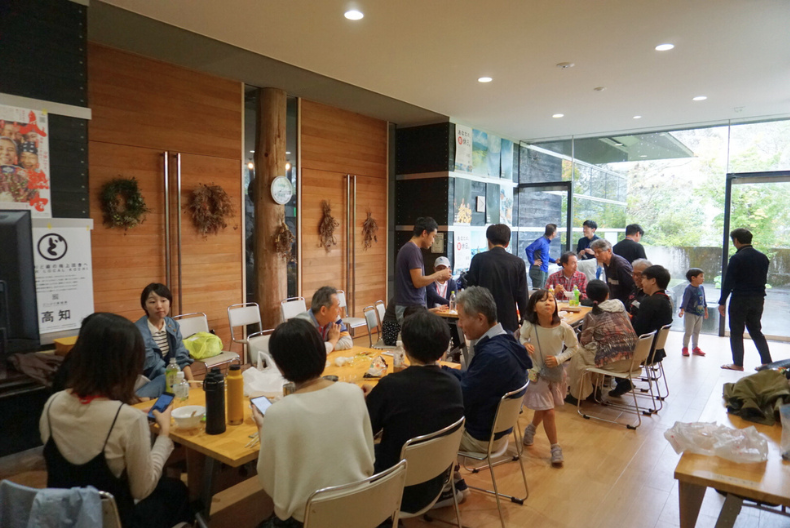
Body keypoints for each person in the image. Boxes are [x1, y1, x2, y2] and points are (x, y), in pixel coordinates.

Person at [40, 313, 193, 528]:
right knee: (176, 491)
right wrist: (165, 434)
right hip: (115, 522)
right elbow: (143, 489)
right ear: (125, 365)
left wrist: (132, 417)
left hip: (66, 518)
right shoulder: (127, 419)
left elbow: (85, 430)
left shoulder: (52, 404)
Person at [253, 318, 375, 528]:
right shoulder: (353, 393)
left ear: (280, 366)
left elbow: (271, 482)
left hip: (308, 520)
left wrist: (263, 427)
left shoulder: (278, 413)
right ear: (321, 352)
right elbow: (369, 458)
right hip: (362, 510)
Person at [364, 311, 465, 511]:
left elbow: (364, 431)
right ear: (444, 348)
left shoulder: (391, 386)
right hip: (435, 482)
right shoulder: (453, 385)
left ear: (405, 347)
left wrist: (369, 399)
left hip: (393, 487)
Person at [441, 286, 531, 456]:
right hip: (496, 431)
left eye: (461, 319)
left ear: (480, 319)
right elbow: (473, 378)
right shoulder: (507, 340)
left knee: (417, 424)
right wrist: (442, 371)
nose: (459, 324)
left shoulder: (492, 356)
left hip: (479, 438)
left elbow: (461, 399)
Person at [519, 289, 579, 466]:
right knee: (549, 410)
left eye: (551, 300)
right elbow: (522, 336)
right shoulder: (529, 325)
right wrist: (525, 344)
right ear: (534, 307)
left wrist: (559, 359)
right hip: (535, 372)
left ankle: (531, 429)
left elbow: (574, 347)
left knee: (544, 407)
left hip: (554, 373)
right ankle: (555, 447)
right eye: (543, 300)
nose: (548, 303)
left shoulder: (563, 328)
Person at [565, 280, 638, 404]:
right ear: (607, 294)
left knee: (579, 353)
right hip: (635, 359)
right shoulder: (619, 304)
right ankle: (594, 390)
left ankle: (578, 395)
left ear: (588, 297)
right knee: (592, 352)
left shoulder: (592, 315)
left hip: (615, 363)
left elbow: (585, 342)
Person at [612, 265, 672, 397]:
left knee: (603, 342)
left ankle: (619, 381)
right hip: (655, 350)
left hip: (643, 351)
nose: (641, 282)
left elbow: (637, 331)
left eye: (644, 278)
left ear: (653, 281)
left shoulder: (649, 301)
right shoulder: (665, 299)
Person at [719, 228, 772, 371]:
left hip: (740, 299)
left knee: (736, 331)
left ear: (736, 240)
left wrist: (722, 301)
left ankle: (738, 364)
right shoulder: (763, 257)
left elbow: (729, 282)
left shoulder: (737, 258)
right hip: (758, 299)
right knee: (755, 330)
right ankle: (767, 363)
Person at [465, 224, 529, 333]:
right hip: (509, 321)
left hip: (482, 319)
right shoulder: (518, 263)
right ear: (507, 243)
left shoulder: (478, 259)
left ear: (488, 241)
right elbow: (522, 296)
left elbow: (470, 291)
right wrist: (525, 321)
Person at [134, 283, 194, 399]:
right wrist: (179, 382)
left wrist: (192, 383)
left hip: (168, 377)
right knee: (170, 383)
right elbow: (153, 366)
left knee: (186, 389)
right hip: (143, 383)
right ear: (145, 306)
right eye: (152, 302)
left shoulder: (172, 325)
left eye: (163, 300)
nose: (159, 306)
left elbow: (181, 357)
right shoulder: (138, 331)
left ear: (169, 303)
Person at [395, 217, 452, 321]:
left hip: (411, 306)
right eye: (433, 236)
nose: (433, 241)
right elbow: (418, 282)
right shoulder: (412, 250)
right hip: (410, 307)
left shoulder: (411, 249)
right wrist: (439, 274)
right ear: (424, 233)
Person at [295, 285, 353, 353]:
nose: (340, 310)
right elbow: (313, 352)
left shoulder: (334, 318)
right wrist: (333, 340)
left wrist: (330, 346)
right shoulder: (303, 324)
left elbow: (348, 342)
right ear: (323, 310)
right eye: (337, 306)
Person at [591, 238, 635, 306]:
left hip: (624, 304)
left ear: (609, 250)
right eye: (595, 252)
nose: (596, 255)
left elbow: (632, 287)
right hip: (614, 302)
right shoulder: (605, 262)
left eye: (599, 252)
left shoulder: (621, 265)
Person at [679, 268, 708, 357]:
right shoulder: (689, 289)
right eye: (701, 276)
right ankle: (685, 348)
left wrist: (705, 310)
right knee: (689, 332)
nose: (703, 278)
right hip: (690, 314)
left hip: (700, 313)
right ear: (693, 278)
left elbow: (704, 300)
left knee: (697, 331)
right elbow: (685, 300)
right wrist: (682, 310)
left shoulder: (701, 288)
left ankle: (695, 348)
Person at [525, 223, 557, 290]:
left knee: (543, 291)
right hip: (538, 270)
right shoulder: (541, 241)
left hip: (543, 270)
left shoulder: (546, 242)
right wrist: (532, 261)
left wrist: (555, 261)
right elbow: (528, 249)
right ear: (553, 233)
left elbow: (545, 256)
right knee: (538, 292)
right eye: (556, 231)